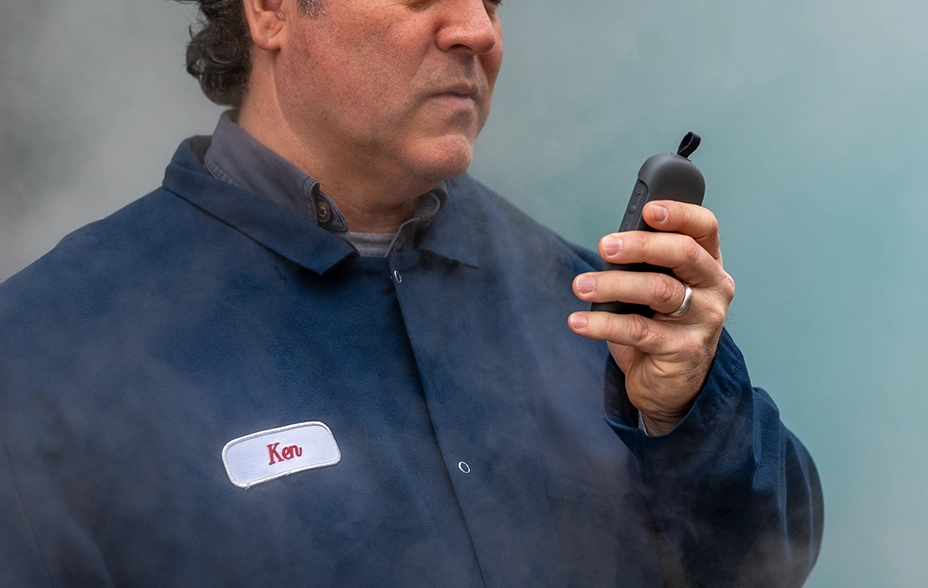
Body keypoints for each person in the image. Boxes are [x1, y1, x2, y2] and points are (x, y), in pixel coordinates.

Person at [0, 0, 822, 585]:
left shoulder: (599, 309)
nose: (477, 29)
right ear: (271, 10)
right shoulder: (43, 355)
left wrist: (687, 417)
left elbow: (765, 567)